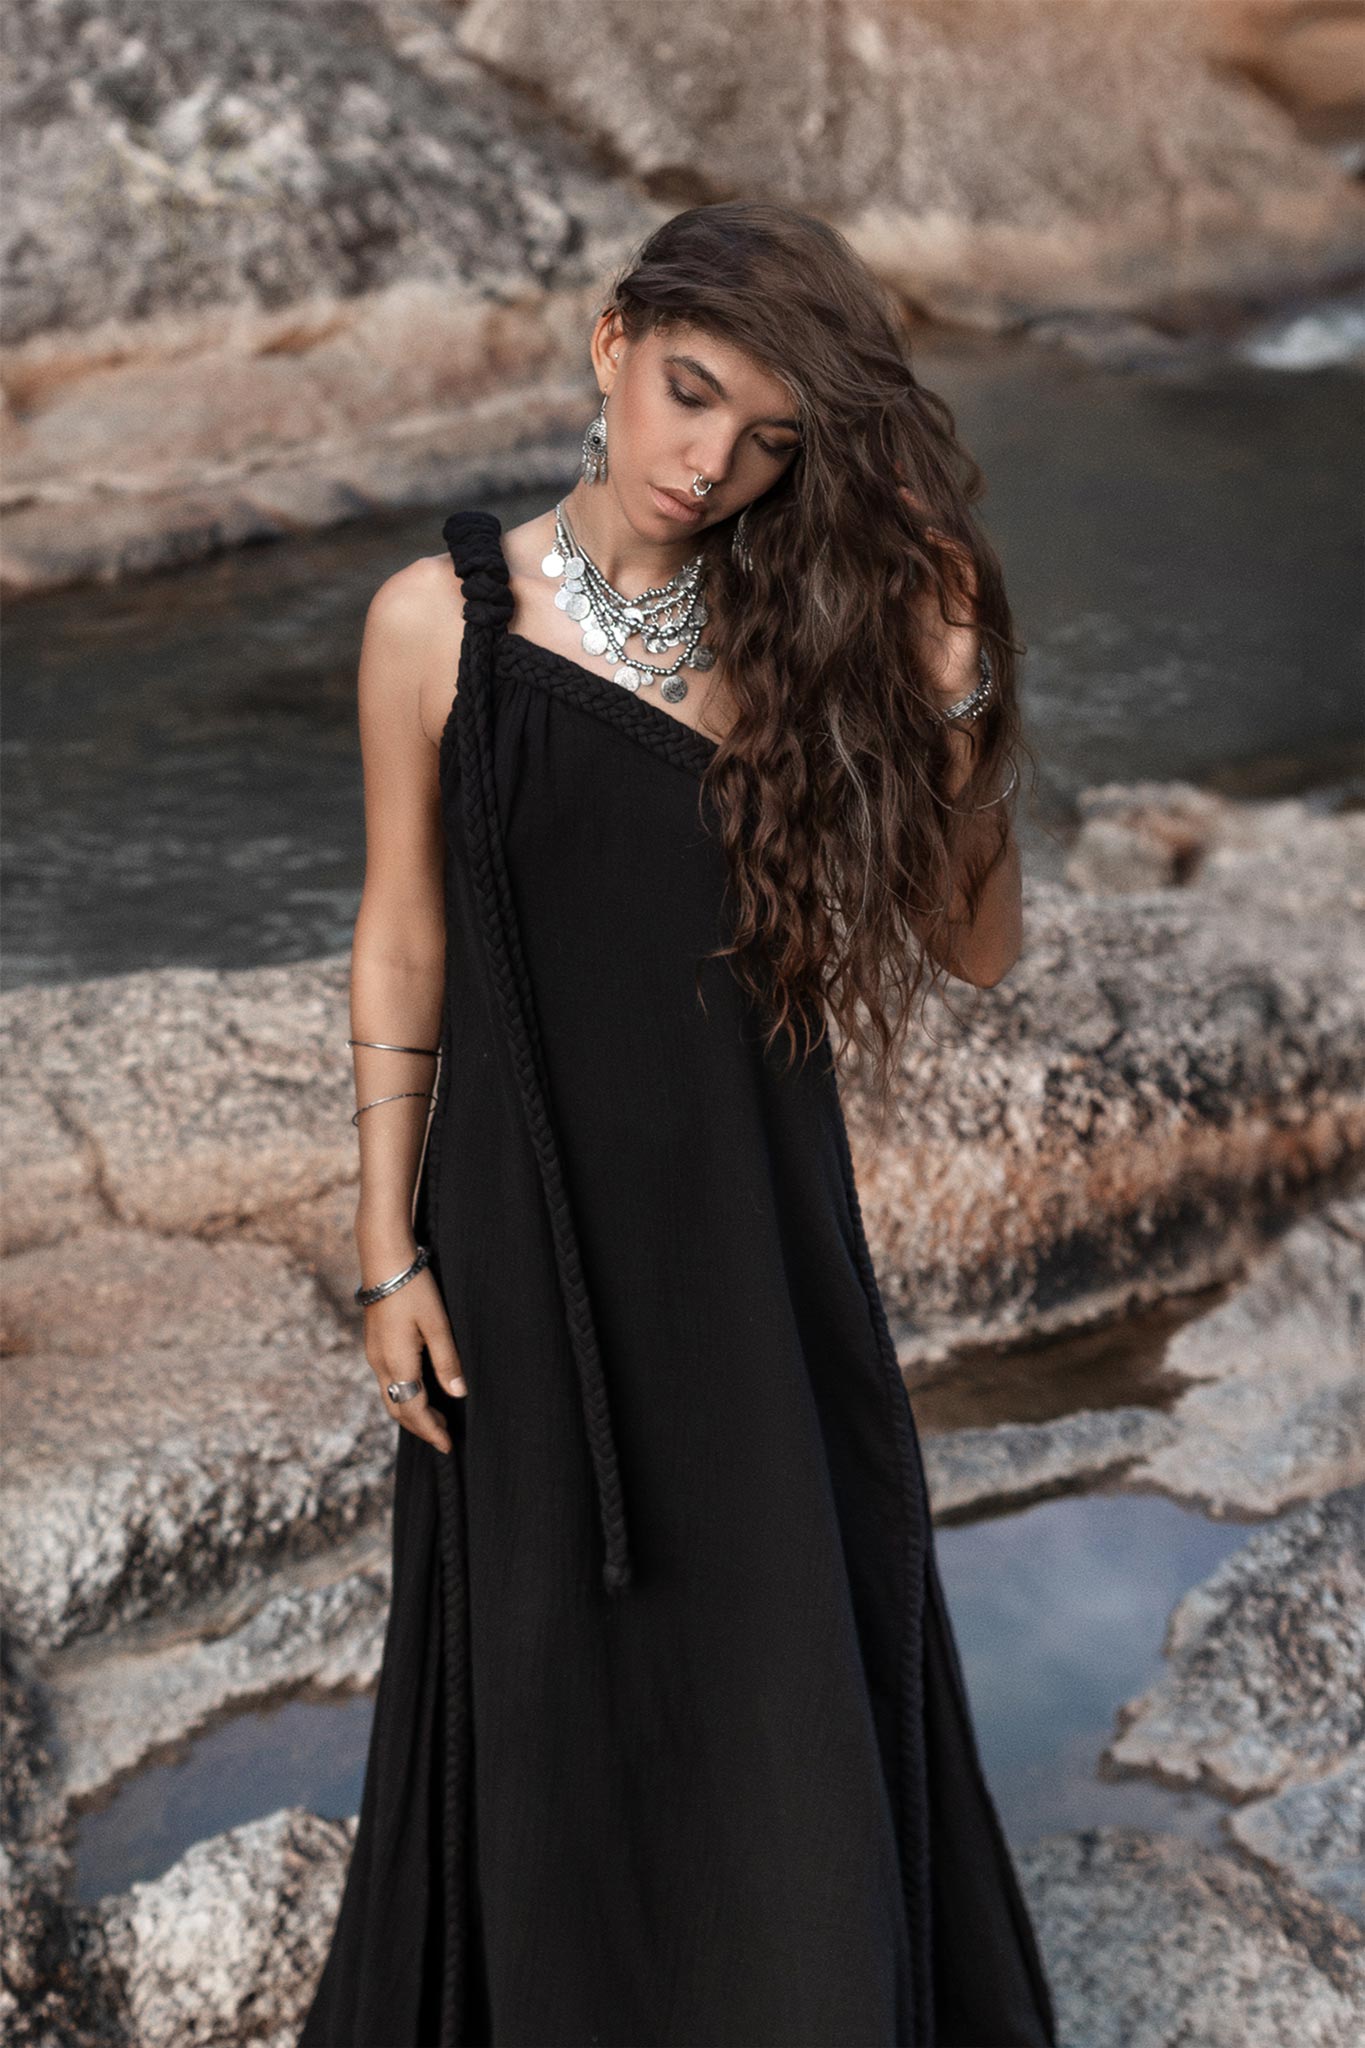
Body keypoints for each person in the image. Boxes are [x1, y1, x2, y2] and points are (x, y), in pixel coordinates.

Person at [298, 199, 1056, 2048]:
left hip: (756, 1254)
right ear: (610, 342)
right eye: (691, 393)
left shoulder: (817, 638)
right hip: (521, 1243)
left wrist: (957, 710)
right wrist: (385, 1244)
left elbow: (969, 953)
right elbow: (402, 935)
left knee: (781, 1668)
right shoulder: (434, 624)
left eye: (766, 438)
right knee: (547, 1678)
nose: (708, 463)